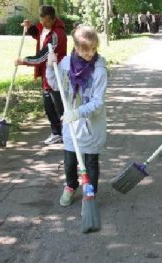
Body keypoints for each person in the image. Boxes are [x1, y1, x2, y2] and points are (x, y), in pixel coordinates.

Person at [46, 25, 108, 206]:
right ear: (76, 48)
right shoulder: (65, 64)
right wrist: (51, 66)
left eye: (94, 49)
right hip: (71, 125)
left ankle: (90, 192)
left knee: (90, 161)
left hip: (90, 125)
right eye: (86, 50)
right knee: (70, 161)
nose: (91, 53)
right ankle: (71, 186)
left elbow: (97, 102)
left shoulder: (99, 70)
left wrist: (77, 112)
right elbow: (55, 85)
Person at [15, 5, 67, 145]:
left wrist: (24, 61)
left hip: (56, 73)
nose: (42, 24)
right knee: (48, 106)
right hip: (46, 73)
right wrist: (29, 27)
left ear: (53, 19)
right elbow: (38, 33)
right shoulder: (44, 26)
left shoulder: (57, 34)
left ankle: (68, 133)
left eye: (45, 22)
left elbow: (43, 56)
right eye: (41, 21)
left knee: (59, 106)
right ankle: (57, 133)